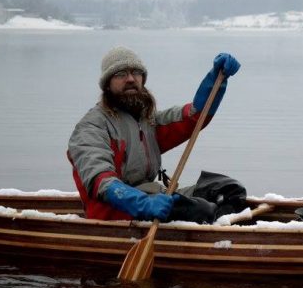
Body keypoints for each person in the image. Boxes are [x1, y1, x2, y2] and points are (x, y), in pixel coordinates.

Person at [67, 46, 241, 222]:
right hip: (115, 212)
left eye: (136, 72)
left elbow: (194, 117)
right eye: (120, 74)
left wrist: (217, 77)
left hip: (151, 195)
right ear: (107, 85)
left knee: (229, 189)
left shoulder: (146, 121)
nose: (130, 79)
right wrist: (143, 203)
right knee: (201, 210)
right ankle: (211, 231)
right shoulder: (91, 128)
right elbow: (100, 180)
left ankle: (217, 229)